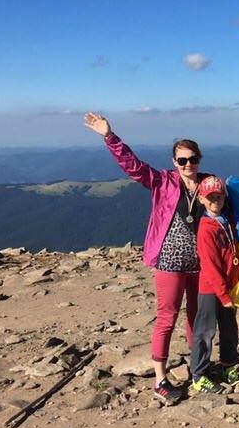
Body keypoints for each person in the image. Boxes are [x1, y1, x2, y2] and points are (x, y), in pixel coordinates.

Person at [83, 111, 212, 405]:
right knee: (167, 318)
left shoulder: (210, 184)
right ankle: (160, 379)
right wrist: (109, 136)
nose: (188, 164)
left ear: (199, 159)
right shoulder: (162, 181)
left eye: (192, 159)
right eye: (182, 160)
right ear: (174, 162)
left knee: (197, 317)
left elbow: (234, 205)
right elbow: (134, 167)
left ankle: (198, 369)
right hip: (168, 261)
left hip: (200, 263)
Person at [189, 176, 239, 394]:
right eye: (210, 198)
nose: (214, 201)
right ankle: (198, 375)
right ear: (201, 199)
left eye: (218, 197)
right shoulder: (206, 229)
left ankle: (227, 365)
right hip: (211, 290)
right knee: (205, 331)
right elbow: (210, 266)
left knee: (229, 329)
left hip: (227, 287)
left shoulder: (225, 221)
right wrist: (224, 295)